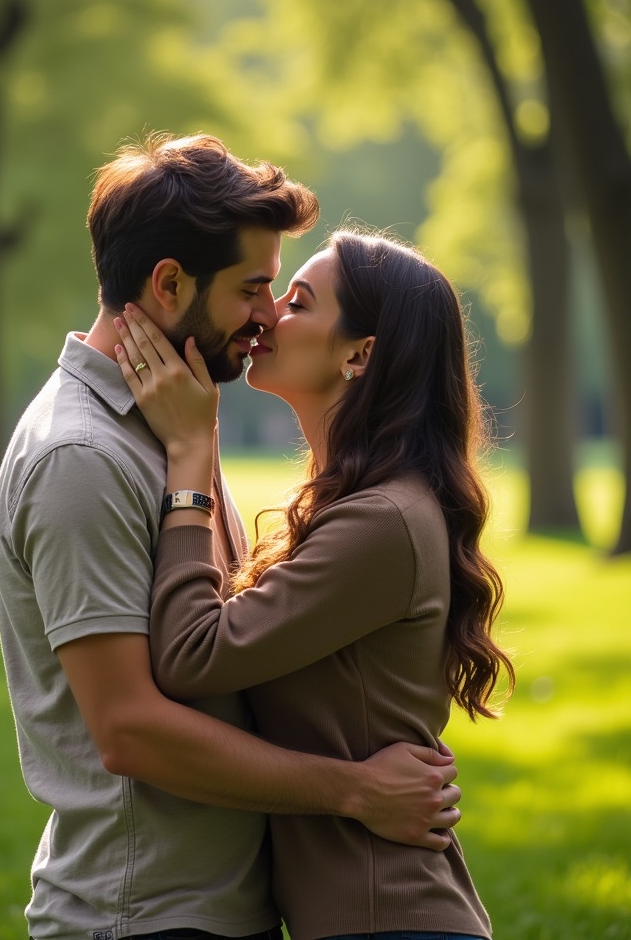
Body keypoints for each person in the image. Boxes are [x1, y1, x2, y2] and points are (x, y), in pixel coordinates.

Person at [0, 136, 464, 940]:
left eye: (284, 294)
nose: (266, 317)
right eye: (253, 289)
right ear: (170, 284)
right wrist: (353, 788)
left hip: (222, 907)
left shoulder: (175, 428)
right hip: (142, 911)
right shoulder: (85, 457)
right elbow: (130, 728)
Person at [114, 226, 516, 940]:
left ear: (359, 353)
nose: (266, 314)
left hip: (391, 919)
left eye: (297, 301)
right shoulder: (353, 509)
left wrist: (188, 463)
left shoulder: (384, 523)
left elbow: (192, 657)